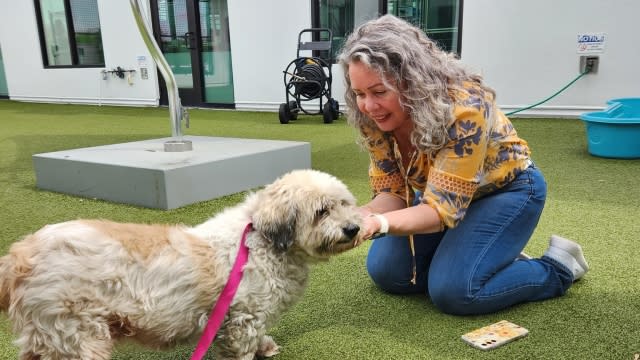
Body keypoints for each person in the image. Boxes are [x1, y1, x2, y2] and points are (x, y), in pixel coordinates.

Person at [337, 14, 589, 315]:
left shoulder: (466, 107)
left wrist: (378, 224)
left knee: (455, 292)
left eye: (379, 92)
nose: (368, 105)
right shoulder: (373, 116)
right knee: (389, 273)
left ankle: (557, 268)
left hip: (506, 191)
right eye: (359, 93)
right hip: (437, 196)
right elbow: (392, 193)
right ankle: (483, 255)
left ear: (413, 80)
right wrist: (355, 217)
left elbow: (441, 210)